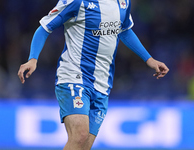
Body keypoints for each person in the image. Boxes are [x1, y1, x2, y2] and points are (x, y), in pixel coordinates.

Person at [18, 0, 169, 149]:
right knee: (80, 135)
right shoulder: (77, 2)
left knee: (84, 145)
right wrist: (33, 59)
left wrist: (149, 59)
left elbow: (125, 30)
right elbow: (45, 27)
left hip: (102, 83)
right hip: (73, 75)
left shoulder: (123, 2)